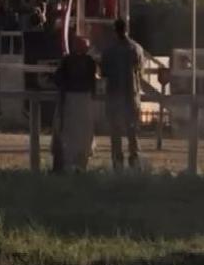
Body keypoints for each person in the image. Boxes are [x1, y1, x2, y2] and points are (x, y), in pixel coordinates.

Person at [101, 18, 144, 171]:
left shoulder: (108, 50)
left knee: (115, 131)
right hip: (132, 94)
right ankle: (135, 161)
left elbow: (104, 72)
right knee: (132, 130)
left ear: (115, 30)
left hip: (114, 94)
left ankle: (117, 162)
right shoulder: (137, 48)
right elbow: (140, 70)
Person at [52, 35, 98, 172]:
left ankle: (67, 164)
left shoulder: (67, 60)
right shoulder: (90, 62)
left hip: (70, 100)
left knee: (68, 132)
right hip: (84, 100)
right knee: (84, 133)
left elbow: (57, 78)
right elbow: (93, 82)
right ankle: (81, 164)